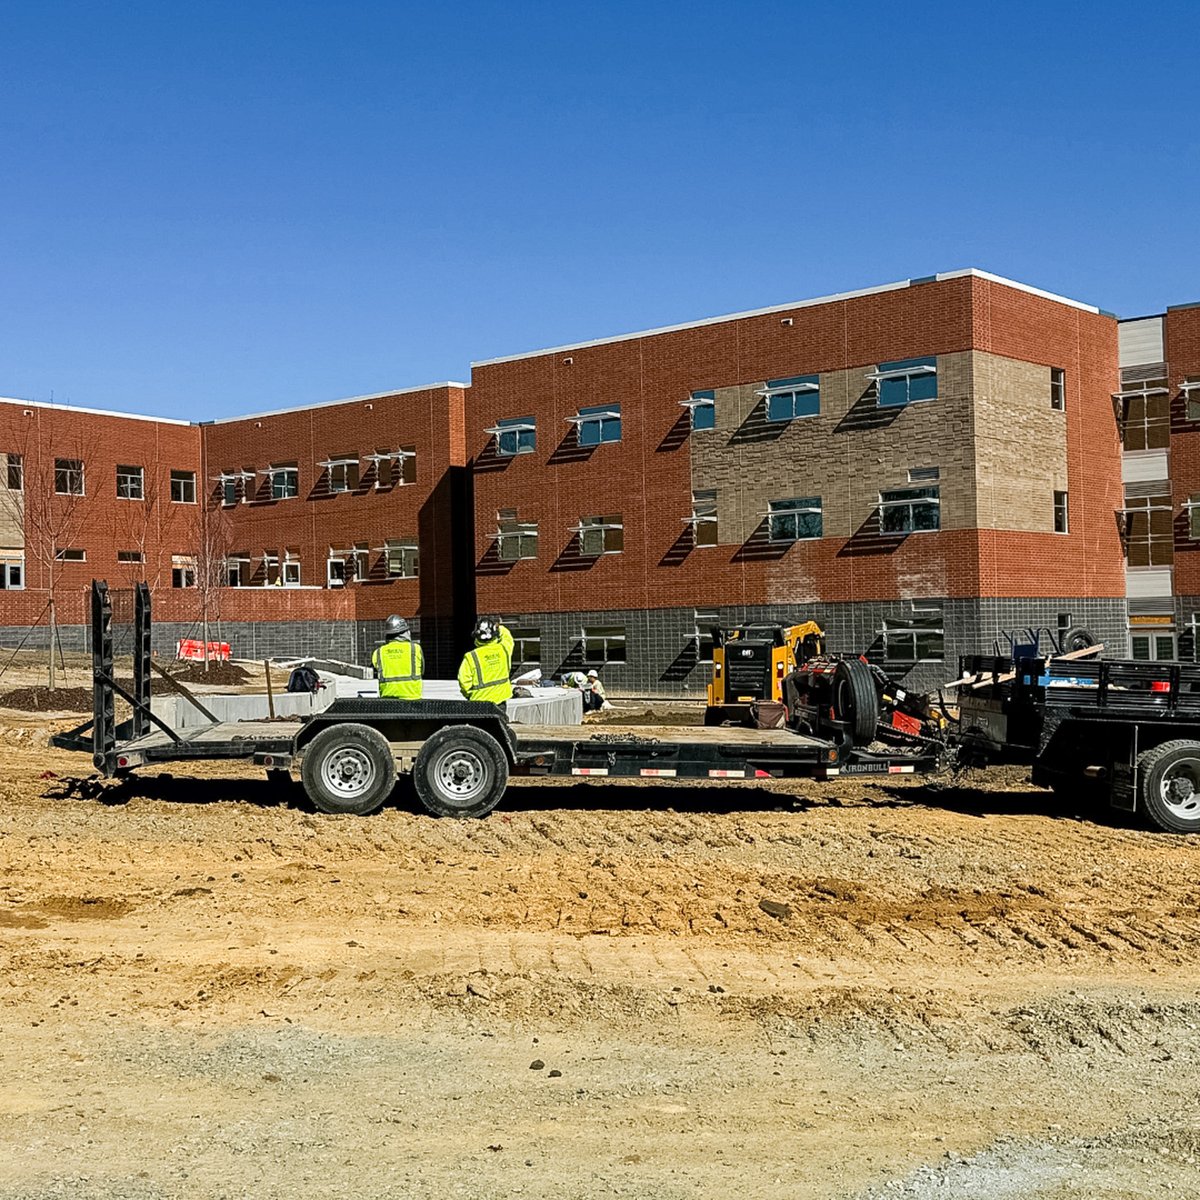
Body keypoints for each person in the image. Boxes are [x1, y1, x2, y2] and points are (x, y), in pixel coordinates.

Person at [458, 616, 514, 704]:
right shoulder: (504, 648)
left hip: (479, 701)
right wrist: (499, 627)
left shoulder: (471, 656)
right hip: (501, 698)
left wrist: (469, 694)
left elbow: (464, 681)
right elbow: (507, 637)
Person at [371, 614, 424, 700]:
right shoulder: (415, 649)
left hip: (387, 703)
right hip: (413, 702)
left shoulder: (378, 652)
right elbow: (422, 671)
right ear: (404, 633)